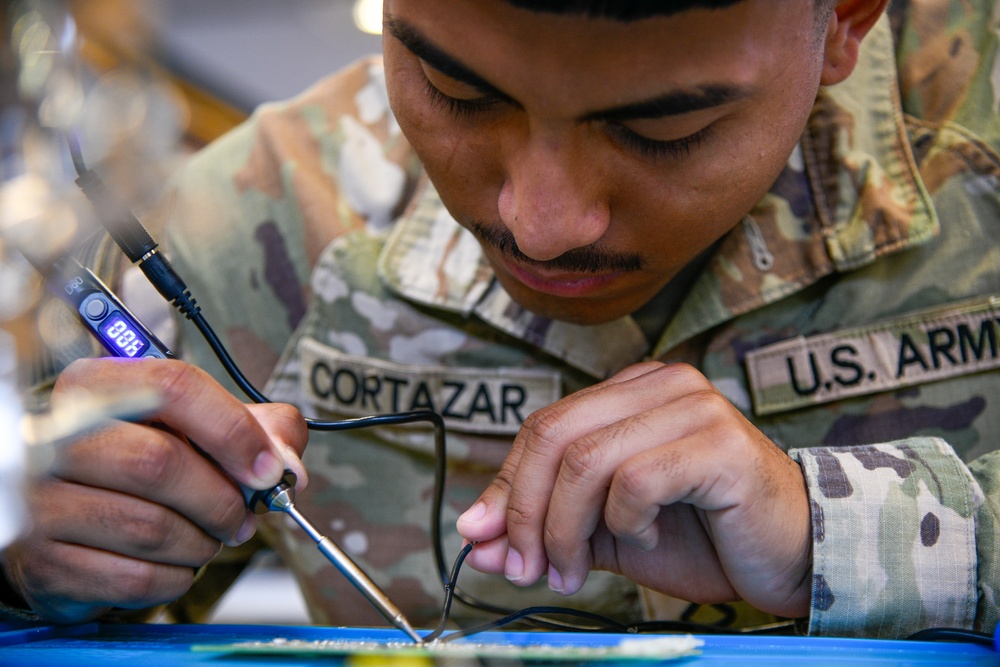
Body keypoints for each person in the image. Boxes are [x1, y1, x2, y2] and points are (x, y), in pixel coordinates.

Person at [2, 0, 997, 639]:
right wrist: (24, 550)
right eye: (456, 92)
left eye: (664, 128)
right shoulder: (242, 225)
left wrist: (840, 529)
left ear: (845, 18)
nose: (540, 225)